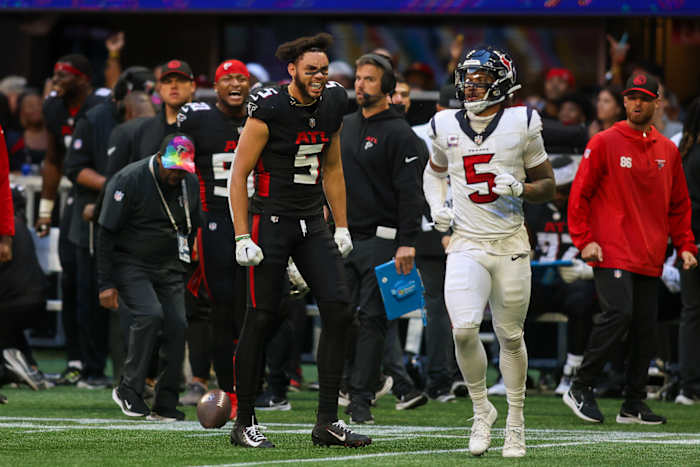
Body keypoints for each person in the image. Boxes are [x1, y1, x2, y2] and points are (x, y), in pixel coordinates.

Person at [228, 33, 370, 448]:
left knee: (340, 308)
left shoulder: (333, 101)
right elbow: (240, 174)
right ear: (291, 70)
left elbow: (332, 168)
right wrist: (241, 234)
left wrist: (342, 225)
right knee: (261, 316)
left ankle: (326, 420)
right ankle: (245, 422)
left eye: (324, 70)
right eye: (311, 70)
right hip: (269, 220)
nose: (319, 76)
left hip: (311, 220)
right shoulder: (269, 106)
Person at [424, 46, 555, 458]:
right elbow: (434, 171)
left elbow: (548, 184)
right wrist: (437, 206)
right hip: (466, 242)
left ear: (501, 82)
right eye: (467, 79)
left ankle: (516, 421)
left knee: (510, 335)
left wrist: (522, 189)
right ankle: (483, 410)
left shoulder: (523, 122)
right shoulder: (442, 122)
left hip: (510, 242)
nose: (470, 86)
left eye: (479, 79)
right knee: (462, 329)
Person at [564, 72, 698, 425]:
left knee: (645, 327)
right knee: (619, 313)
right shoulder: (605, 141)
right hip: (609, 248)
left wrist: (684, 244)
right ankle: (580, 385)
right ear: (625, 102)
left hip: (650, 252)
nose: (636, 103)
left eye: (644, 98)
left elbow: (679, 205)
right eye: (631, 97)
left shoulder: (668, 150)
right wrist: (584, 239)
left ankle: (633, 403)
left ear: (658, 103)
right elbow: (580, 194)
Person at [341, 55, 427, 422]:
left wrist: (407, 242)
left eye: (370, 79)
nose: (360, 85)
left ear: (387, 88)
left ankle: (361, 399)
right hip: (343, 237)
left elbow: (411, 194)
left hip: (383, 239)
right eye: (358, 78)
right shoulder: (343, 125)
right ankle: (358, 383)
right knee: (338, 315)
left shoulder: (401, 134)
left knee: (373, 320)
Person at [99, 133, 201, 421]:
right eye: (172, 167)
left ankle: (165, 401)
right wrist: (105, 283)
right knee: (149, 315)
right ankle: (129, 389)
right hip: (131, 262)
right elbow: (106, 234)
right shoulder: (129, 179)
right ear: (159, 158)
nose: (175, 174)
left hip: (170, 266)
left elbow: (191, 228)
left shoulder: (189, 183)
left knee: (178, 325)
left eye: (182, 169)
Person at [175, 59, 251, 415]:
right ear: (216, 86)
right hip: (217, 223)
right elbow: (176, 164)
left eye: (241, 78)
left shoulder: (262, 116)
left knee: (259, 309)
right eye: (227, 79)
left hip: (259, 222)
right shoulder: (198, 120)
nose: (235, 84)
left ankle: (253, 383)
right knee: (222, 310)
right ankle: (230, 389)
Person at [36, 54, 110, 386]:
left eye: (64, 74)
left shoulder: (100, 107)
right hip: (74, 200)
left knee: (89, 285)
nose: (56, 80)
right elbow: (53, 159)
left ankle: (95, 365)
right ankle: (76, 359)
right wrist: (45, 210)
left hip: (101, 199)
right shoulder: (53, 107)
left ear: (83, 79)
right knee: (69, 281)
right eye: (54, 74)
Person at [675, 96, 700, 405]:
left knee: (691, 314)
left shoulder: (685, 150)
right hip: (693, 239)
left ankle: (689, 384)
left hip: (688, 241)